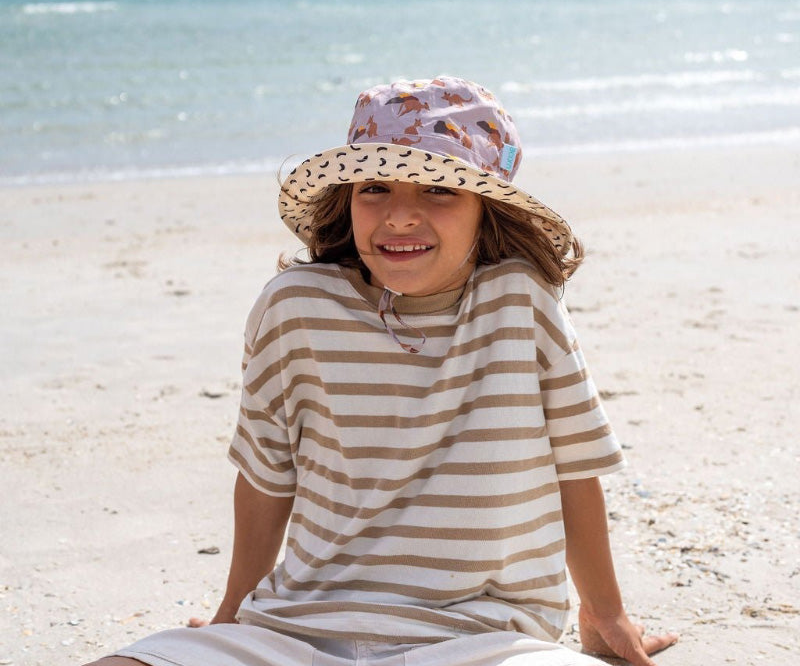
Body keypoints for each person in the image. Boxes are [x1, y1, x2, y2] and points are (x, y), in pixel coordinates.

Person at [88, 76, 677, 666]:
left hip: (484, 642)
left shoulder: (521, 299)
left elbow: (576, 468)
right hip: (295, 633)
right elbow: (268, 476)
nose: (399, 216)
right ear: (347, 199)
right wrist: (227, 622)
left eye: (439, 192)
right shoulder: (294, 306)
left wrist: (605, 615)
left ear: (486, 211)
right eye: (375, 188)